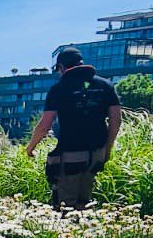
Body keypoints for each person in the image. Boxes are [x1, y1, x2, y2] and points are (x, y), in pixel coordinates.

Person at [25, 48, 122, 211]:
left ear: (62, 67)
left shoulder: (58, 89)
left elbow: (44, 126)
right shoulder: (106, 85)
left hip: (70, 154)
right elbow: (116, 120)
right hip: (96, 153)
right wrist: (107, 149)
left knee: (65, 208)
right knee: (84, 204)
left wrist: (30, 147)